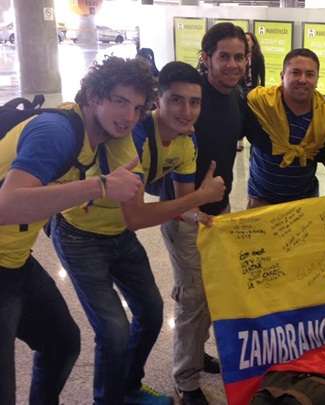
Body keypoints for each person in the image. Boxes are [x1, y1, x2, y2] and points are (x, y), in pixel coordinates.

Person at [50, 58, 225, 403]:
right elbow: (138, 217)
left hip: (119, 236)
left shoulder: (186, 144)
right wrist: (199, 199)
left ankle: (128, 387)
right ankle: (108, 399)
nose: (186, 110)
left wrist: (201, 214)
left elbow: (183, 205)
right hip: (80, 236)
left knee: (150, 312)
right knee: (113, 329)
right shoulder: (133, 138)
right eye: (175, 99)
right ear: (157, 101)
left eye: (194, 102)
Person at [0, 57, 145, 405]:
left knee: (61, 342)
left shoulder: (95, 139)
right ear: (94, 96)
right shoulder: (58, 132)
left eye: (138, 107)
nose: (129, 116)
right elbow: (5, 207)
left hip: (16, 260)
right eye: (120, 101)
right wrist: (100, 186)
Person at [157, 22, 248, 405]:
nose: (232, 64)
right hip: (183, 213)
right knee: (193, 297)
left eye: (239, 57)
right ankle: (186, 379)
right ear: (206, 58)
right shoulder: (194, 97)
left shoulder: (237, 97)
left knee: (210, 289)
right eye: (223, 56)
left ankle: (196, 354)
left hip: (217, 209)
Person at [245, 48, 325, 208]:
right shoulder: (260, 104)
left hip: (303, 204)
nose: (302, 79)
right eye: (295, 72)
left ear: (317, 79)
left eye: (310, 74)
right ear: (282, 76)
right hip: (260, 201)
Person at [237, 31, 266, 152]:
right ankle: (239, 140)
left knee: (253, 113)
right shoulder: (240, 54)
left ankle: (254, 139)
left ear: (253, 42)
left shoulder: (258, 56)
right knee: (240, 112)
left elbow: (262, 73)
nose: (247, 42)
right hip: (240, 87)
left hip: (253, 87)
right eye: (245, 39)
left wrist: (263, 87)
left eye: (248, 40)